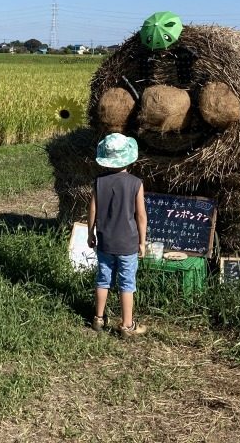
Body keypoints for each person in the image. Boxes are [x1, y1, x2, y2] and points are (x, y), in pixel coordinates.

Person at [87, 132, 148, 336]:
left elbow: (92, 210)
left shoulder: (98, 182)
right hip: (128, 242)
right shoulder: (136, 183)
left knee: (103, 279)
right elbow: (140, 216)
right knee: (127, 283)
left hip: (105, 240)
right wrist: (142, 242)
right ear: (129, 157)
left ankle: (98, 318)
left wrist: (90, 233)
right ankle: (127, 325)